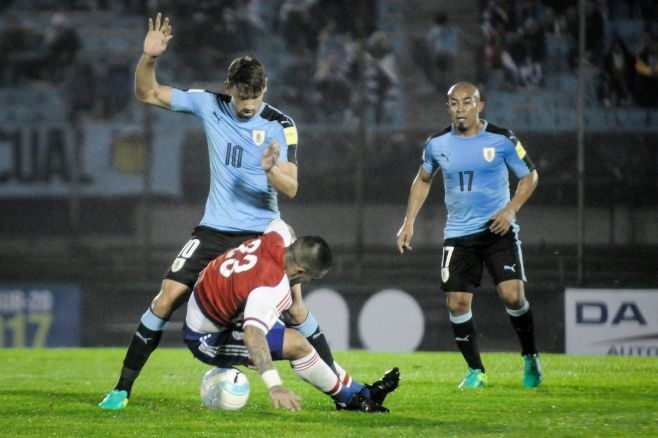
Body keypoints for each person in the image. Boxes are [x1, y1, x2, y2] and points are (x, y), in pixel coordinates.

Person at [100, 13, 397, 409]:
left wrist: (272, 168)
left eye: (255, 98)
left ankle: (348, 390)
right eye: (242, 98)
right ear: (229, 89)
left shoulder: (282, 125)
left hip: (262, 234)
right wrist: (149, 57)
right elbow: (148, 93)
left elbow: (291, 187)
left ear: (265, 90)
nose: (248, 106)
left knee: (296, 310)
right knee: (165, 299)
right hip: (213, 230)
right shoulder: (209, 105)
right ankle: (121, 389)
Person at [395, 82, 542, 389]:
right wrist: (408, 222)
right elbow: (422, 180)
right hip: (459, 235)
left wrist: (511, 209)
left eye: (466, 102)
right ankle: (476, 370)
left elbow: (529, 176)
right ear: (447, 108)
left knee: (513, 296)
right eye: (453, 103)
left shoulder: (502, 139)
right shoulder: (436, 144)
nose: (460, 109)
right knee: (457, 304)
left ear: (480, 105)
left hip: (497, 230)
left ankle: (530, 356)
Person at [184, 219, 396, 412]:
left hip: (223, 308)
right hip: (206, 336)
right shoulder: (271, 288)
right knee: (297, 345)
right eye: (312, 278)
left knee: (296, 319)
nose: (309, 283)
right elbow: (252, 336)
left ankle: (363, 392)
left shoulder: (279, 235)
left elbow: (282, 224)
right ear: (300, 271)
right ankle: (349, 401)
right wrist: (275, 385)